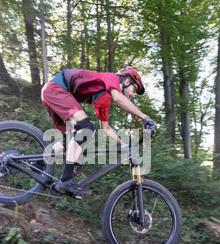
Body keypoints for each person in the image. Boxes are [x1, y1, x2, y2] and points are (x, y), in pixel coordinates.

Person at [40, 66, 157, 197]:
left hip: (53, 93)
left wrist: (123, 144)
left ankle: (38, 163)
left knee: (72, 140)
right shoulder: (112, 78)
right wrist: (145, 117)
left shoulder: (104, 98)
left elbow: (105, 128)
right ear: (127, 81)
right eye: (134, 90)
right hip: (56, 90)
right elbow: (119, 99)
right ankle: (66, 181)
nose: (133, 94)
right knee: (86, 130)